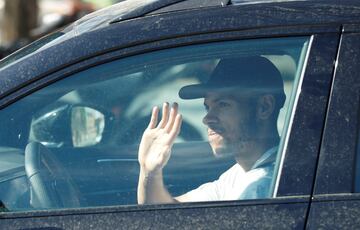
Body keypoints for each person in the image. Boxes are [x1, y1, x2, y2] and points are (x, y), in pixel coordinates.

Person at [137, 56, 286, 204]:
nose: (207, 118)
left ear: (264, 107)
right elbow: (170, 211)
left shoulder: (261, 187)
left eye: (223, 104)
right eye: (207, 107)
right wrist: (150, 171)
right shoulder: (240, 174)